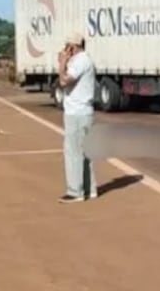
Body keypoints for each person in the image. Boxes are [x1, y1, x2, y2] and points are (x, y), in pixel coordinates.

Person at [57, 33, 98, 203]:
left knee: (73, 152)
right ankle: (90, 188)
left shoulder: (80, 60)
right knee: (85, 152)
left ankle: (75, 191)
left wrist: (62, 64)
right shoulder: (84, 60)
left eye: (67, 47)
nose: (66, 50)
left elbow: (64, 81)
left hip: (77, 113)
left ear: (73, 47)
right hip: (84, 112)